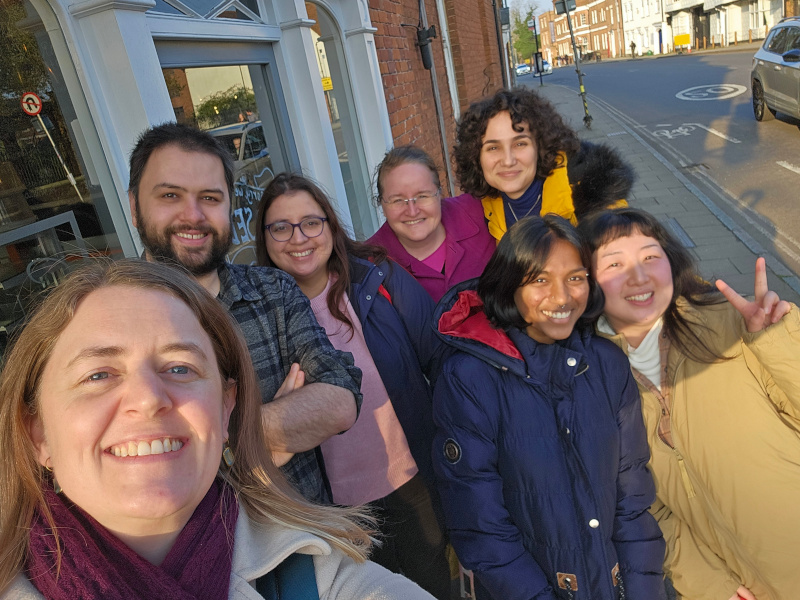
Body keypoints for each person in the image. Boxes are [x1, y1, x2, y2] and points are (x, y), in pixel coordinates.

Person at [0, 259, 434, 600]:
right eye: (98, 374)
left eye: (179, 367)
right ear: (36, 432)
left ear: (226, 408)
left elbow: (340, 397)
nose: (149, 398)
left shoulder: (320, 579)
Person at [432, 215, 666, 600]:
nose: (562, 297)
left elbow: (633, 502)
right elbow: (481, 528)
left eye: (575, 278)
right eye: (540, 280)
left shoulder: (607, 364)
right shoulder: (469, 378)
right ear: (509, 286)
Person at [127, 123, 361, 503]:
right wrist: (267, 431)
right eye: (170, 195)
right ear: (135, 207)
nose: (193, 215)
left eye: (210, 197)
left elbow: (341, 399)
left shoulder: (274, 292)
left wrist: (208, 438)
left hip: (309, 538)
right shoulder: (113, 321)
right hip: (204, 554)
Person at [580, 207, 800, 600]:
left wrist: (777, 341)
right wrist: (712, 586)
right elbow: (641, 506)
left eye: (650, 256)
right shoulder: (589, 380)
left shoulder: (732, 323)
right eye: (614, 264)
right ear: (589, 284)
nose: (639, 276)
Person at [254, 173, 451, 599]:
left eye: (311, 222)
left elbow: (440, 357)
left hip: (411, 480)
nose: (298, 238)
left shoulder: (376, 280)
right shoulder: (260, 319)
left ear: (330, 225)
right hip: (334, 509)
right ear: (265, 238)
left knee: (434, 588)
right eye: (281, 227)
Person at [453, 87, 633, 243]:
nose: (508, 160)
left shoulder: (595, 199)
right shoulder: (485, 207)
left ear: (540, 146)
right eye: (493, 147)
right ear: (476, 157)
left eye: (520, 144)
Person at [368, 146, 495, 302]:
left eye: (422, 196)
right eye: (398, 200)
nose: (412, 211)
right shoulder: (369, 265)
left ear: (439, 193)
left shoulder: (481, 210)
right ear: (381, 204)